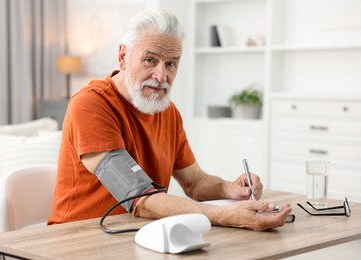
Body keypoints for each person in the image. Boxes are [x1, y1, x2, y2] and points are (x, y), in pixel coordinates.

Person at [48, 8, 292, 231]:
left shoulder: (167, 111)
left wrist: (229, 188)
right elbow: (136, 197)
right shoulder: (91, 104)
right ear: (123, 57)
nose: (161, 75)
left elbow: (194, 182)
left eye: (171, 63)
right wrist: (226, 215)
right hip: (77, 240)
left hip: (139, 236)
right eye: (150, 60)